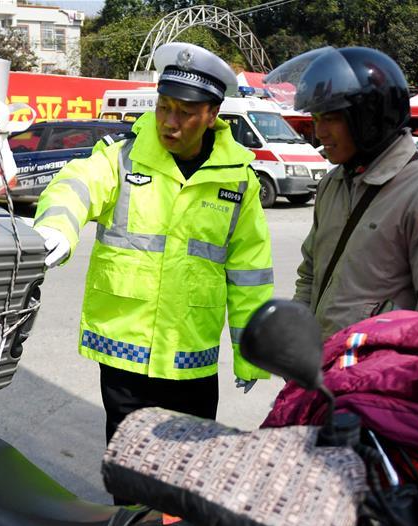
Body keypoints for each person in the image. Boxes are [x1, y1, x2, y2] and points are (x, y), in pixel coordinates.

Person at [32, 42, 274, 447]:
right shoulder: (123, 157)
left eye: (185, 112)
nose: (170, 122)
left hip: (190, 358)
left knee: (186, 473)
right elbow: (76, 184)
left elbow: (249, 272)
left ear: (212, 115)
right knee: (131, 475)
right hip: (126, 352)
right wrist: (58, 225)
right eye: (164, 106)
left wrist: (250, 353)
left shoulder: (238, 180)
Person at [267, 46, 418, 337]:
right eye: (315, 119)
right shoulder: (334, 183)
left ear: (369, 118)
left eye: (330, 118)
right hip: (327, 373)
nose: (319, 132)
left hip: (382, 379)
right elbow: (311, 273)